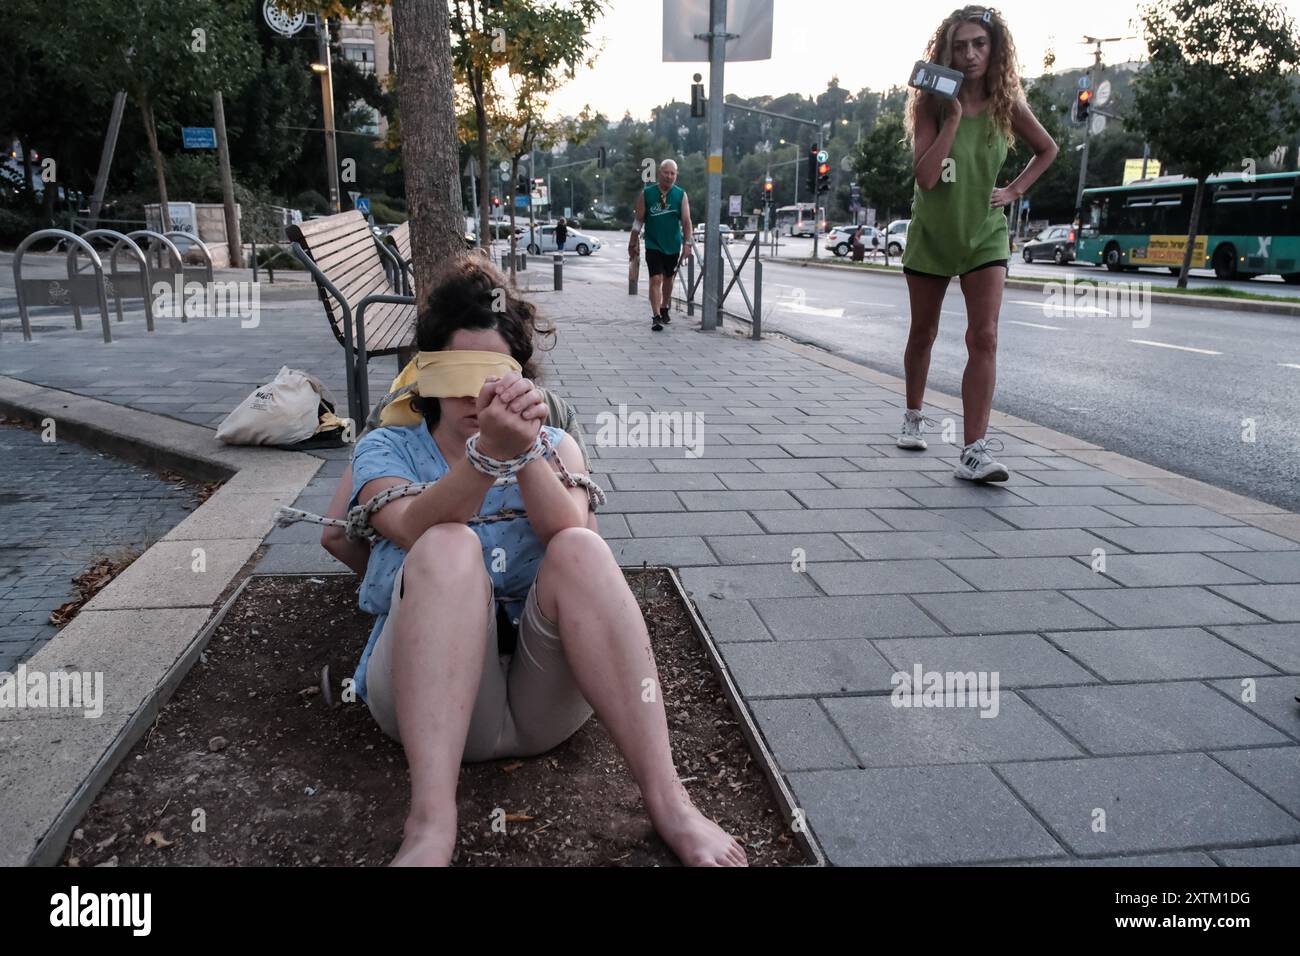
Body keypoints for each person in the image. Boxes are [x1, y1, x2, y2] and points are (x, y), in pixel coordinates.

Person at [336, 257, 746, 867]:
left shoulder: (555, 445)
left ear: (523, 380)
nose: (477, 396)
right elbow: (409, 525)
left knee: (581, 546)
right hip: (426, 701)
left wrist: (522, 450)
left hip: (542, 700)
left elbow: (568, 530)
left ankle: (670, 803)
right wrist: (480, 462)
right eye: (457, 373)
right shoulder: (387, 448)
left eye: (495, 376)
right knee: (449, 542)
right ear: (424, 376)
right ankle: (429, 826)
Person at [896, 6, 1057, 481]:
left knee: (983, 337)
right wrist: (952, 118)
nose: (969, 55)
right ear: (946, 52)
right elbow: (925, 178)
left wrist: (1013, 191)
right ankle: (913, 415)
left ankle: (974, 451)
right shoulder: (929, 104)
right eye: (960, 46)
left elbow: (1047, 148)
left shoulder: (1007, 103)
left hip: (984, 236)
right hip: (932, 234)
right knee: (922, 334)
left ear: (994, 49)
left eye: (979, 45)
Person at [628, 159, 693, 331]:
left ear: (676, 175)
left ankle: (665, 306)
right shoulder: (647, 194)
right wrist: (632, 241)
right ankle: (656, 316)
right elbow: (638, 221)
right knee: (655, 278)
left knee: (668, 279)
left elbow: (686, 221)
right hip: (653, 243)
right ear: (659, 173)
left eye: (673, 173)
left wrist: (688, 243)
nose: (669, 176)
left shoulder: (681, 195)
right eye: (666, 172)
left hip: (672, 244)